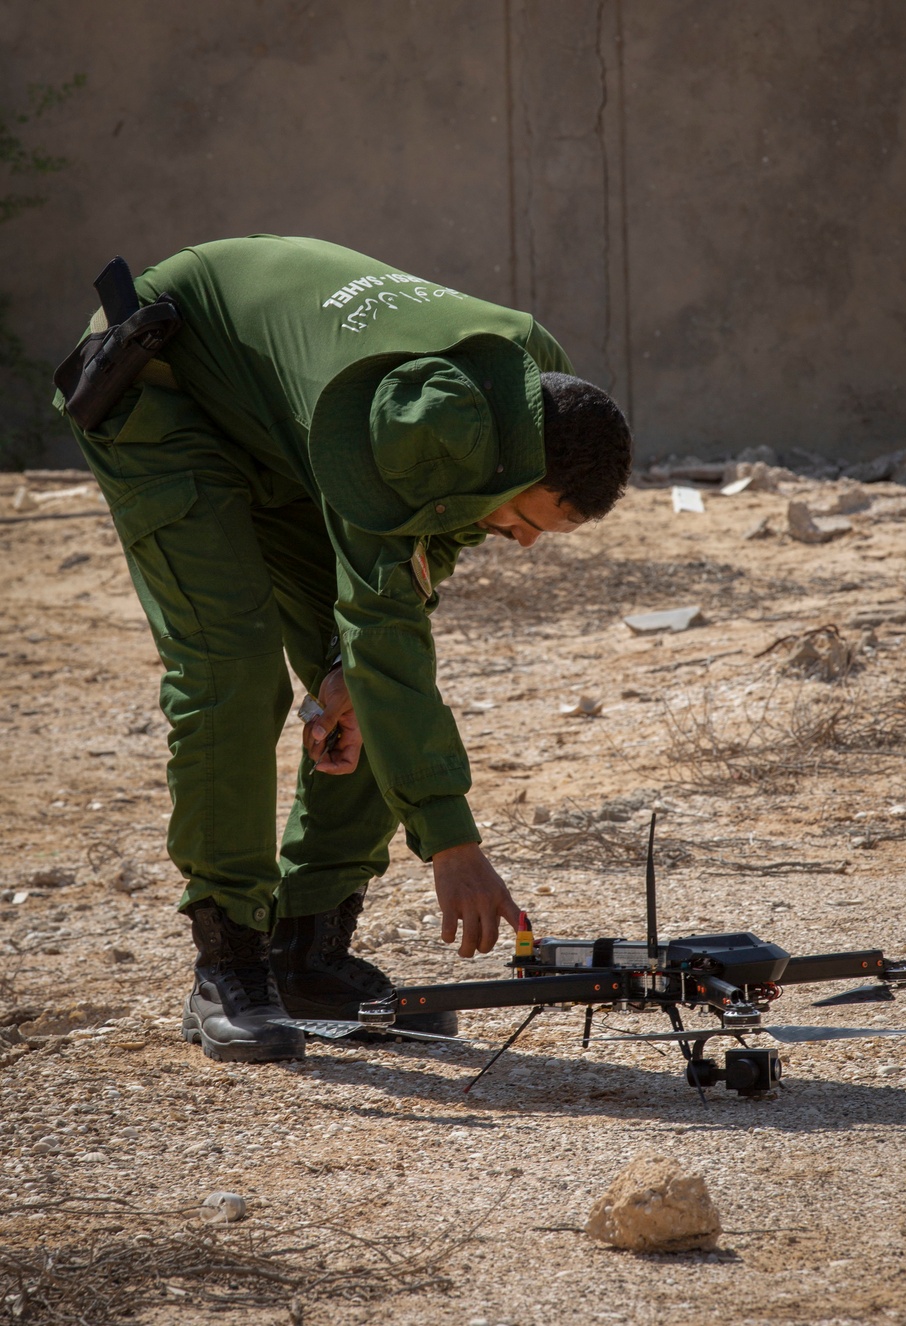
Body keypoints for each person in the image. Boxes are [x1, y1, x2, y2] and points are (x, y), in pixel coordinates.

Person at [55, 235, 632, 1063]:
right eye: (526, 520)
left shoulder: (532, 385)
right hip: (165, 378)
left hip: (295, 427)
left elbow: (429, 552)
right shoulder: (404, 422)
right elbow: (390, 631)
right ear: (506, 461)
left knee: (365, 680)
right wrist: (453, 843)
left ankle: (306, 947)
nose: (524, 544)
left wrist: (340, 667)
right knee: (236, 668)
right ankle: (229, 967)